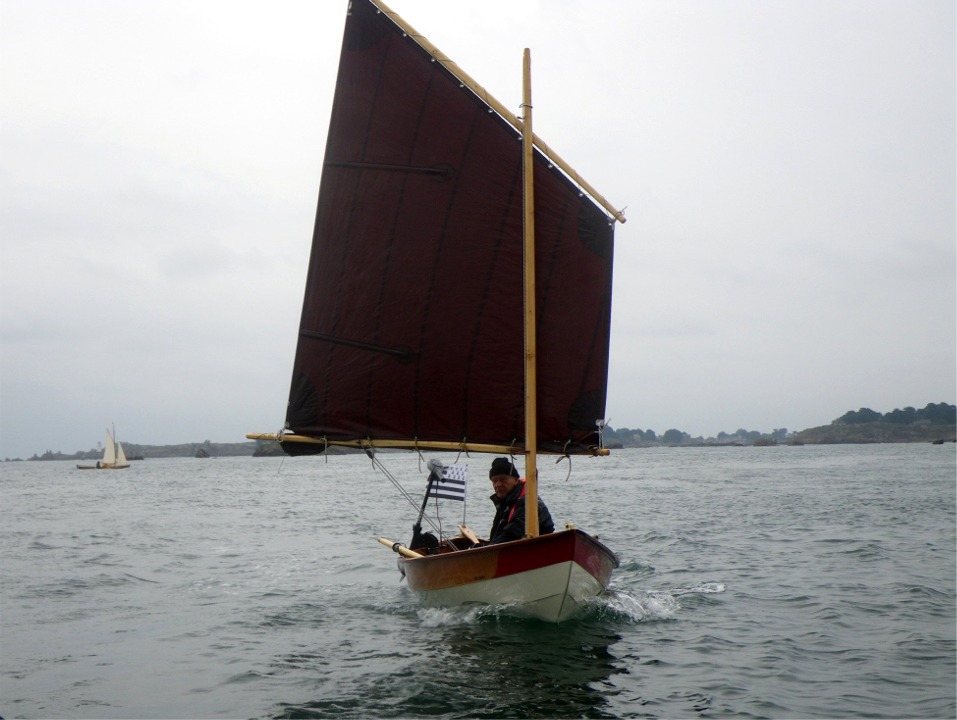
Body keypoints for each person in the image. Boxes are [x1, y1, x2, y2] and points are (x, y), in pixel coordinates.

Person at [487, 456, 554, 544]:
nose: (498, 484)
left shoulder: (528, 502)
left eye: (503, 479)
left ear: (515, 479)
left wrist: (485, 549)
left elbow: (511, 534)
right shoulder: (505, 504)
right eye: (494, 481)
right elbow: (498, 537)